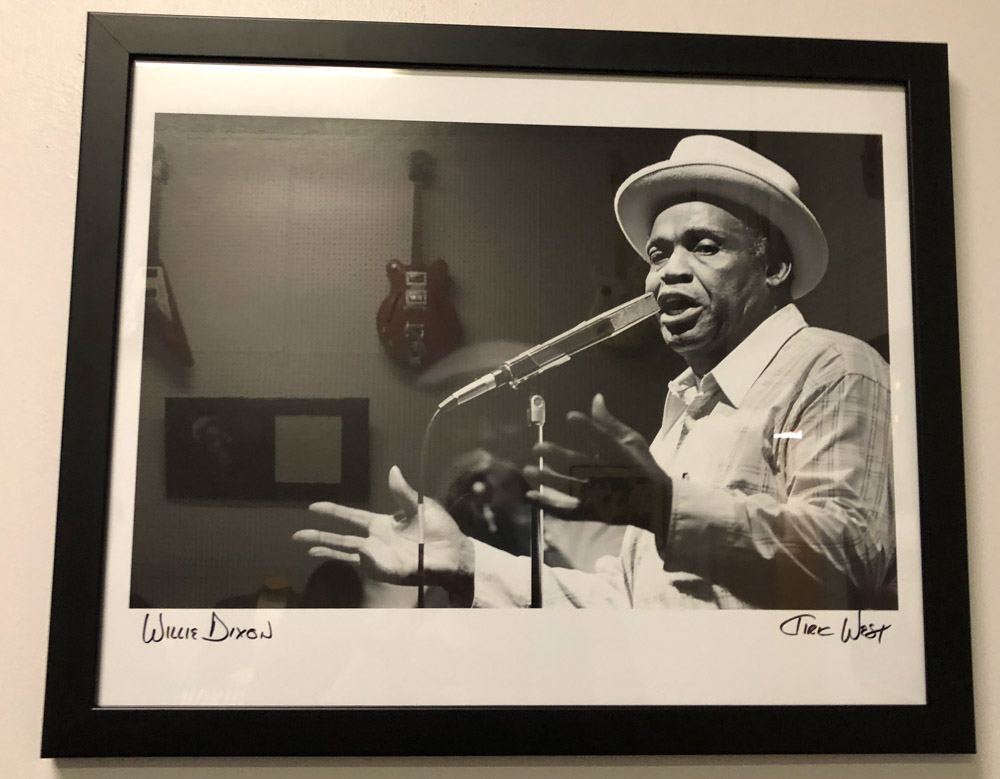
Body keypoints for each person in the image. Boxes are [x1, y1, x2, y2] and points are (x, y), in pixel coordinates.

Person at [293, 135, 895, 609]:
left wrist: (669, 511)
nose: (668, 272)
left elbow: (852, 559)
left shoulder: (834, 368)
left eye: (705, 246)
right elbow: (625, 604)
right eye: (658, 253)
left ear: (776, 267)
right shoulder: (685, 413)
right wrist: (467, 562)